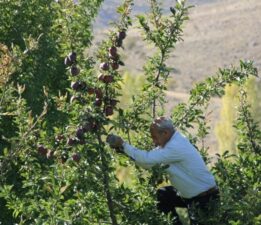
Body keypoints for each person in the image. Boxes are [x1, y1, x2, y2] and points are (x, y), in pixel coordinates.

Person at [106, 116, 219, 225]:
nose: (154, 142)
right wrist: (124, 150)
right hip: (190, 196)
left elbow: (146, 159)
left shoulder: (175, 146)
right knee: (163, 194)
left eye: (155, 137)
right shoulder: (169, 144)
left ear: (165, 133)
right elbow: (148, 164)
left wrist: (123, 144)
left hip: (204, 198)